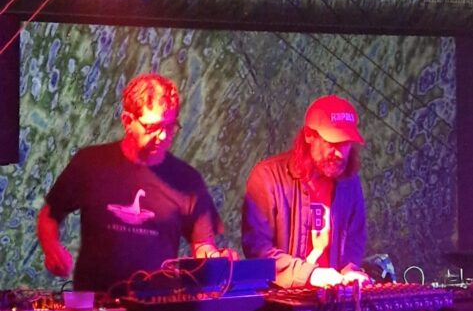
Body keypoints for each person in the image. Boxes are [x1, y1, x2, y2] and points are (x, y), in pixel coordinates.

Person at [37, 72, 231, 294]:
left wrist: (216, 260)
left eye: (170, 127)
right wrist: (52, 249)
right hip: (96, 301)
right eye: (152, 127)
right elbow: (50, 215)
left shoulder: (188, 180)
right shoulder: (90, 163)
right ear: (128, 121)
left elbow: (203, 245)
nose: (162, 136)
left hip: (157, 305)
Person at [242, 94, 368, 289]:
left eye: (346, 144)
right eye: (332, 143)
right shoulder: (267, 177)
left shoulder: (349, 182)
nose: (340, 154)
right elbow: (257, 249)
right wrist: (310, 275)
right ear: (309, 135)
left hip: (332, 297)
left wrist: (349, 271)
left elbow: (355, 239)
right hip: (279, 299)